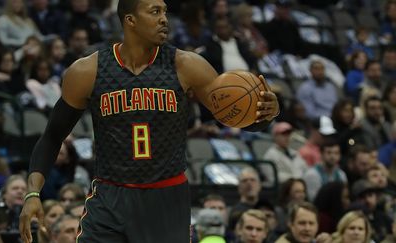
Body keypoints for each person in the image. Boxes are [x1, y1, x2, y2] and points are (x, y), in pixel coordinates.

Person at [19, 1, 280, 243]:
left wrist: (266, 114)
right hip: (111, 196)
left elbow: (234, 117)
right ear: (130, 20)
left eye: (165, 11)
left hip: (165, 197)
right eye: (155, 12)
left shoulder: (187, 65)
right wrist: (33, 193)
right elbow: (53, 135)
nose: (164, 19)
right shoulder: (87, 71)